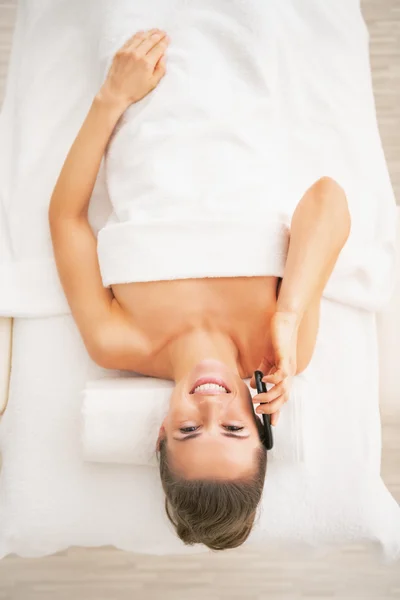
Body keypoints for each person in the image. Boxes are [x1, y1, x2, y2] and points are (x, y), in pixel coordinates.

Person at [49, 29, 351, 550]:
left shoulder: (119, 342)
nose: (210, 408)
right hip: (246, 62)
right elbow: (327, 199)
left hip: (143, 70)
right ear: (261, 428)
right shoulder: (286, 345)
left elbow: (67, 219)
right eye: (233, 431)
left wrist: (113, 96)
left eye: (190, 432)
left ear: (162, 432)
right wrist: (289, 313)